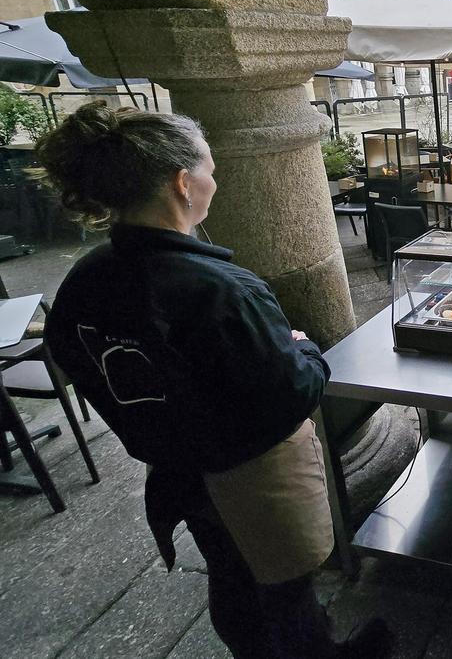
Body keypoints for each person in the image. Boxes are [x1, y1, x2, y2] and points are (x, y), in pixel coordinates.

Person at [39, 102, 391, 659]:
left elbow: (78, 365)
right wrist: (307, 351)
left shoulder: (85, 281)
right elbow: (292, 393)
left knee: (229, 572)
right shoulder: (223, 289)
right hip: (249, 474)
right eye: (209, 167)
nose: (214, 178)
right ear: (183, 183)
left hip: (177, 467)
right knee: (284, 587)